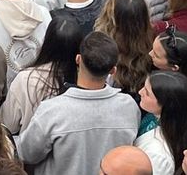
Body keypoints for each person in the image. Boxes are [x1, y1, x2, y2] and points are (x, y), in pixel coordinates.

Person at [15, 31, 142, 175]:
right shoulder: (129, 107)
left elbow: (26, 153)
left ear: (78, 59)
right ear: (113, 70)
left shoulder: (52, 111)